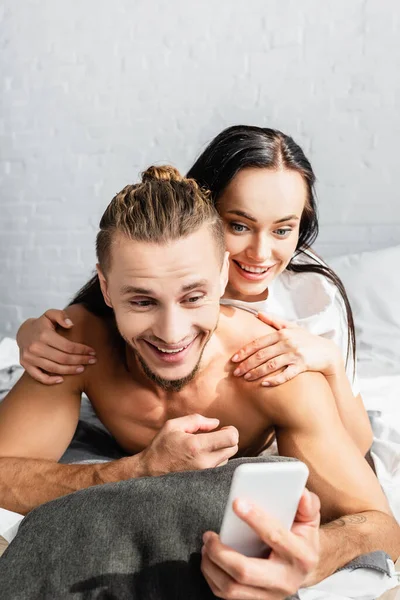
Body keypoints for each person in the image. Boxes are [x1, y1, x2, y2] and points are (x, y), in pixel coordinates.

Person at [1, 166, 399, 593]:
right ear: (105, 286)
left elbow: (381, 525)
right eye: (141, 300)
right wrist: (138, 470)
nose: (171, 334)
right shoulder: (79, 344)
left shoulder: (275, 373)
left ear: (224, 276)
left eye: (194, 297)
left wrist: (319, 552)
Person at [16, 126, 372, 455]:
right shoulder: (155, 267)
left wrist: (330, 363)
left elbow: (356, 446)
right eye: (239, 225)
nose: (260, 254)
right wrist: (28, 334)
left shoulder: (313, 298)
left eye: (282, 230)